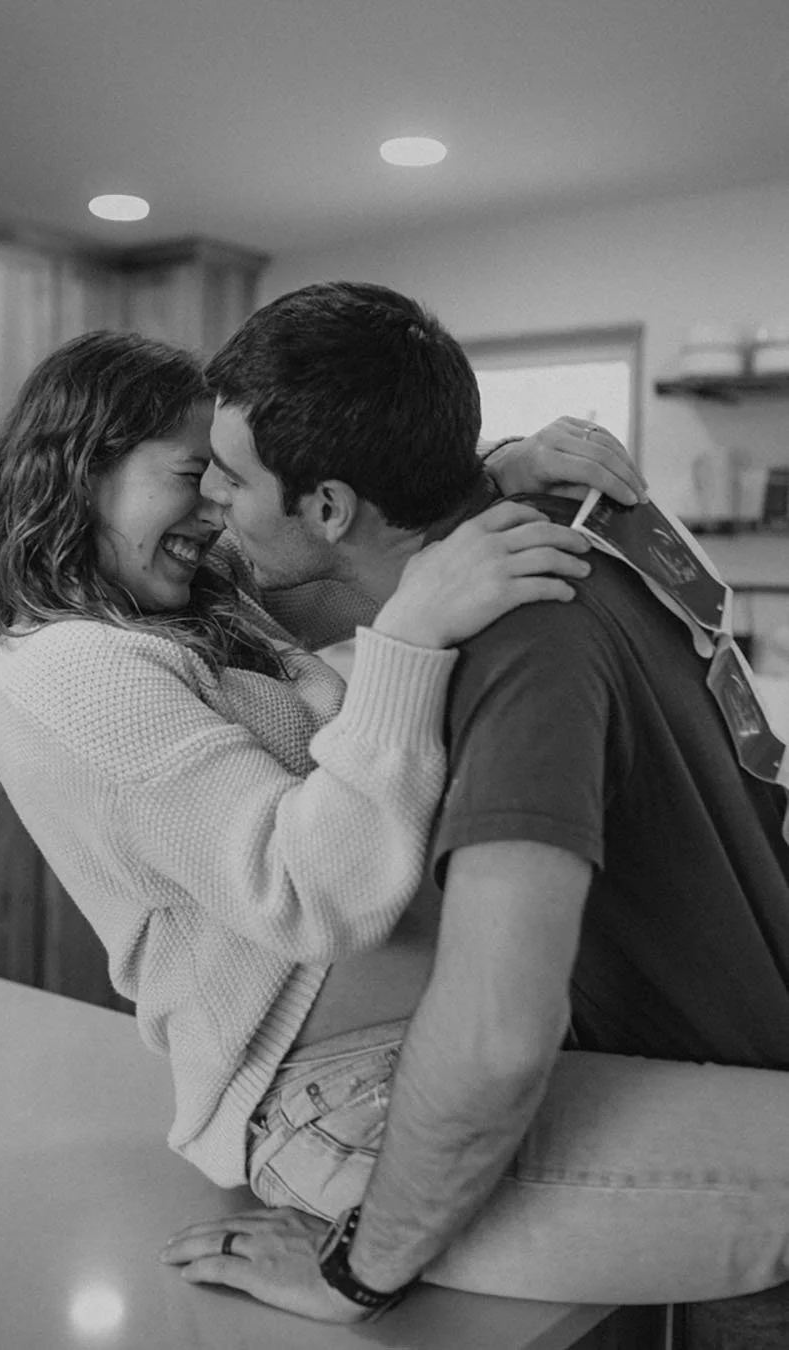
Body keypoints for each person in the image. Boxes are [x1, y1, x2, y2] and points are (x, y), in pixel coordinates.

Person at [154, 282, 789, 1342]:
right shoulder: (577, 518)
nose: (211, 506)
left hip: (738, 1128)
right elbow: (314, 583)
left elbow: (497, 1034)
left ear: (327, 507)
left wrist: (355, 1272)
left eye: (231, 480)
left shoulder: (517, 653)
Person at [0, 327, 632, 1189]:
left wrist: (500, 467)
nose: (222, 508)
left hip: (425, 1065)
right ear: (83, 469)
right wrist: (407, 638)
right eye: (199, 476)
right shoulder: (70, 671)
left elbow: (320, 530)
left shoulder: (195, 590)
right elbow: (315, 896)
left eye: (231, 481)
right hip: (335, 1105)